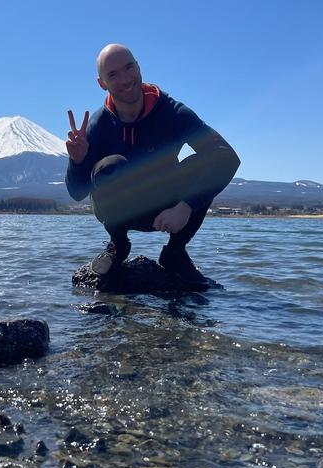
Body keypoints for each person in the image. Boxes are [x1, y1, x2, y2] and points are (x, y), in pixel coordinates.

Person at [65, 43, 240, 289]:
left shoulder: (171, 112)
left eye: (129, 67)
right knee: (109, 165)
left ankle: (175, 253)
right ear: (101, 83)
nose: (125, 79)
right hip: (121, 212)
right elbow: (77, 192)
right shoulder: (98, 125)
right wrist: (78, 161)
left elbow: (227, 156)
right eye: (113, 74)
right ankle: (118, 246)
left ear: (138, 67)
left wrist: (186, 206)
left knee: (207, 161)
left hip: (168, 210)